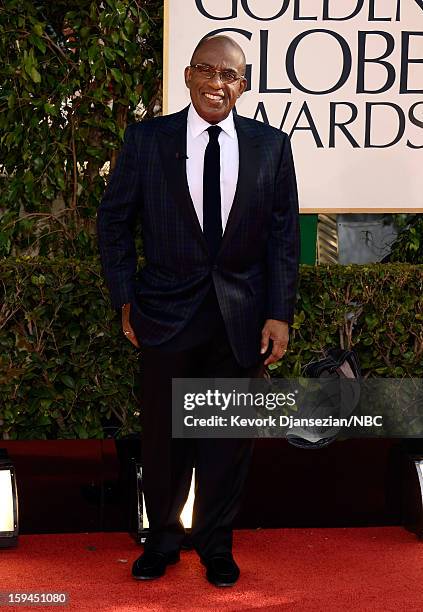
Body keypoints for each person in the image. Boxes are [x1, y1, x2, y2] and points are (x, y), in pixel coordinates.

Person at [96, 34, 300, 587]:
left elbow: (283, 239)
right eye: (207, 71)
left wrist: (280, 313)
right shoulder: (146, 141)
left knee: (226, 442)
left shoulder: (271, 147)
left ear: (244, 84)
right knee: (163, 441)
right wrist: (124, 298)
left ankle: (216, 546)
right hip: (163, 313)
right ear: (187, 76)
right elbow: (114, 223)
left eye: (230, 75)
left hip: (241, 318)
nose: (217, 83)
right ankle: (161, 542)